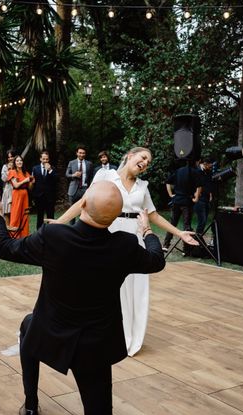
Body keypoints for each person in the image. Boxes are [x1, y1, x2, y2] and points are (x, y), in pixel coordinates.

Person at [0, 181, 166, 415]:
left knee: (28, 326)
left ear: (82, 205)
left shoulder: (54, 236)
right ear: (112, 218)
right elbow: (156, 260)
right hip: (95, 346)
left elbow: (5, 248)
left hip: (50, 334)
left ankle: (31, 407)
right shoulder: (123, 245)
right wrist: (147, 231)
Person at [55, 147, 198, 356]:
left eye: (148, 162)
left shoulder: (142, 186)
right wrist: (59, 223)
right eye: (143, 157)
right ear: (130, 156)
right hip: (110, 234)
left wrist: (179, 233)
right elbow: (83, 202)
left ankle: (131, 338)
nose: (145, 163)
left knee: (136, 289)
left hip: (134, 239)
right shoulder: (106, 177)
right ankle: (105, 335)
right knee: (109, 288)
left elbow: (154, 216)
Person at [163, 159, 202, 251]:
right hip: (187, 202)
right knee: (187, 225)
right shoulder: (195, 172)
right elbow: (199, 186)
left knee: (172, 224)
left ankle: (165, 245)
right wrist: (196, 198)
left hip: (176, 200)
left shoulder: (178, 171)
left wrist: (170, 194)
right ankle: (186, 249)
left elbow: (168, 182)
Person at [65, 145, 93, 223]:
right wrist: (73, 175)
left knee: (84, 212)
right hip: (73, 190)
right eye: (80, 153)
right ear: (76, 153)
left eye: (83, 153)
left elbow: (91, 177)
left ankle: (81, 231)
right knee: (72, 212)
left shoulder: (89, 164)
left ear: (85, 154)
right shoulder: (71, 162)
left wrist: (89, 188)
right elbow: (67, 174)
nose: (81, 155)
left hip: (85, 189)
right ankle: (71, 230)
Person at [7, 155, 33, 238]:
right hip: (17, 194)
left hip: (25, 195)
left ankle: (24, 236)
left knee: (24, 215)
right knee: (16, 215)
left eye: (21, 160)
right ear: (15, 162)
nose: (19, 162)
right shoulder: (12, 172)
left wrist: (32, 182)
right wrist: (25, 180)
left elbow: (30, 188)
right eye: (17, 161)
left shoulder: (25, 172)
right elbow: (16, 185)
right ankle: (14, 236)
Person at [31, 150, 57, 229]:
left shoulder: (52, 168)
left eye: (47, 159)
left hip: (50, 197)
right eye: (43, 159)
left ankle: (51, 233)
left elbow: (56, 179)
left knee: (50, 216)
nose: (45, 161)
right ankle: (39, 233)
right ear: (40, 159)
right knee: (40, 216)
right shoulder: (35, 168)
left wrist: (50, 170)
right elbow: (33, 182)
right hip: (39, 196)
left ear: (48, 159)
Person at [194, 158, 215, 235]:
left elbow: (208, 184)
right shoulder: (197, 170)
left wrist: (210, 194)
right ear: (205, 163)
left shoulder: (208, 172)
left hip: (206, 198)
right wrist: (195, 194)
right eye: (210, 166)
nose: (211, 167)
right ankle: (197, 238)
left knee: (204, 220)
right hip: (199, 199)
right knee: (202, 220)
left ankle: (199, 237)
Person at [0, 150, 16, 223]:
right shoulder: (5, 166)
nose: (10, 158)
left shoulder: (18, 165)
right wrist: (9, 170)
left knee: (15, 212)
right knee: (6, 211)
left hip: (16, 190)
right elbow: (4, 179)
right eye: (9, 157)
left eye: (12, 156)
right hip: (7, 189)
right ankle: (7, 231)